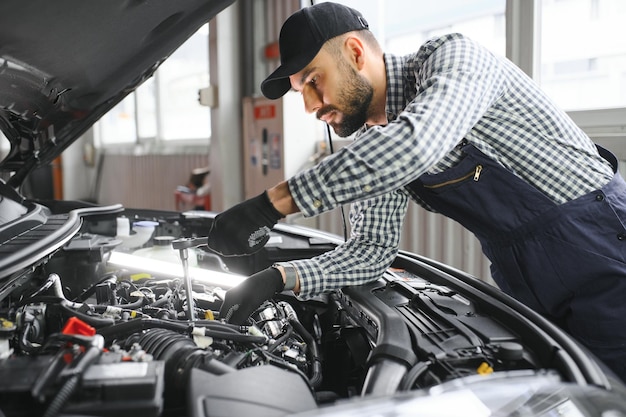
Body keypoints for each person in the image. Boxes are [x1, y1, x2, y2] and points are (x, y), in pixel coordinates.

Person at [208, 2, 626, 382]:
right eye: (303, 93)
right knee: (564, 387)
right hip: (522, 274)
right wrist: (280, 278)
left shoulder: (453, 59)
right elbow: (370, 251)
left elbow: (417, 145)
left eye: (315, 82)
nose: (311, 106)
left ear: (356, 53)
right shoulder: (380, 144)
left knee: (613, 389)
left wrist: (270, 205)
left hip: (598, 246)